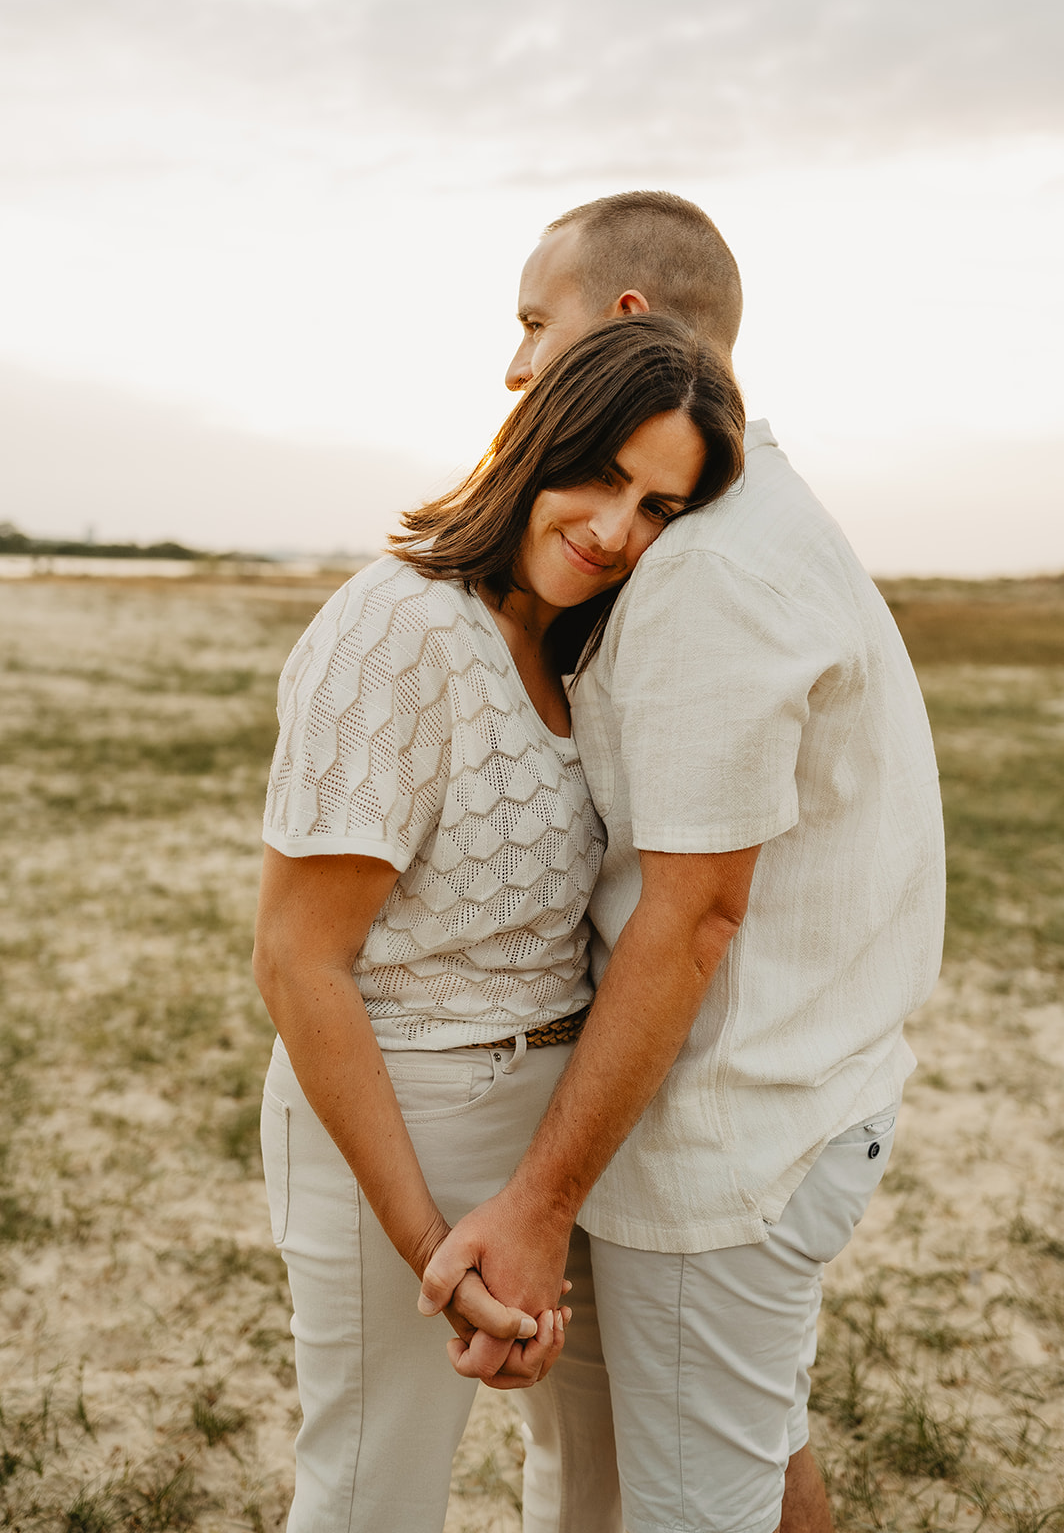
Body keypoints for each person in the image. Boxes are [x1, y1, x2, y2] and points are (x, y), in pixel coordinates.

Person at [420, 192, 946, 1533]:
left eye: (533, 321)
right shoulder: (736, 514)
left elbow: (695, 916)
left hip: (727, 1138)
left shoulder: (709, 563)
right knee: (734, 1465)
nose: (514, 363)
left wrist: (536, 1201)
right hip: (785, 1096)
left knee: (686, 1506)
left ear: (623, 319)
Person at [252, 311, 746, 1533]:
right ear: (533, 437)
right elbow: (297, 960)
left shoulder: (587, 649)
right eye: (600, 475)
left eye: (658, 510)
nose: (613, 531)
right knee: (373, 1492)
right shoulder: (396, 628)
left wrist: (545, 1192)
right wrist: (430, 1239)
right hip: (400, 1115)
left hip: (560, 1140)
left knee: (603, 1477)